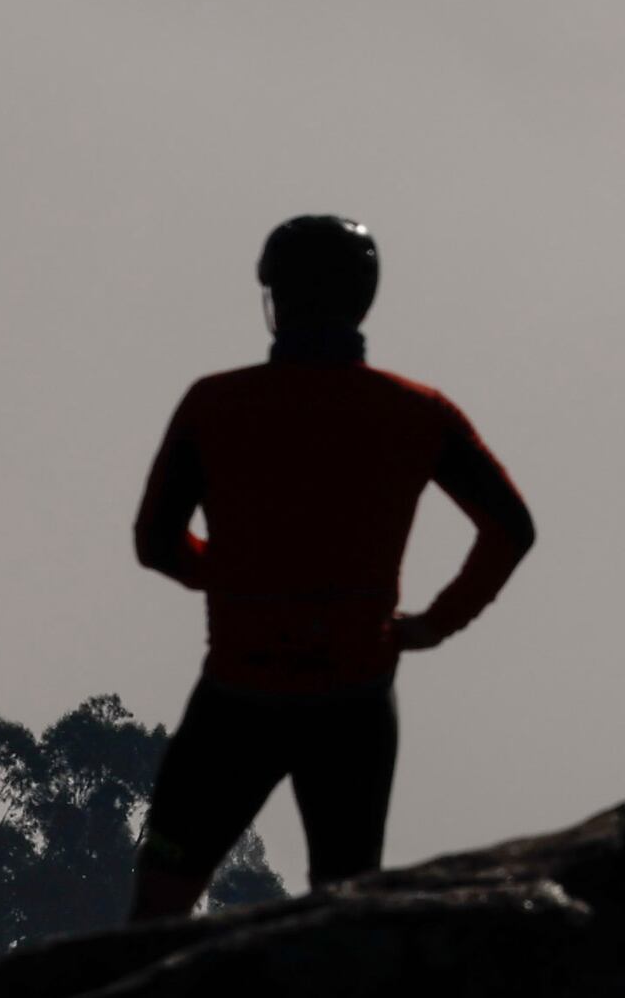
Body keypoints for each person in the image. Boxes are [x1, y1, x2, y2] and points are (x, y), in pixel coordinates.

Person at [127, 215, 535, 919]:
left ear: (275, 299)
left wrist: (233, 578)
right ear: (362, 300)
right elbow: (510, 527)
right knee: (343, 910)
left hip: (237, 694)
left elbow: (156, 540)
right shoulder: (417, 413)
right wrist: (434, 623)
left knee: (163, 894)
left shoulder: (215, 404)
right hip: (355, 701)